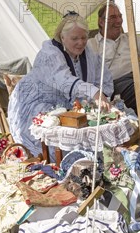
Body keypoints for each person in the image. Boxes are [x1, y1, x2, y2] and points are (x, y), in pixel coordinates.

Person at [8, 13, 113, 157]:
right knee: (54, 128)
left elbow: (102, 76)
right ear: (62, 37)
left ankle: (96, 161)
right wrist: (93, 92)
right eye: (74, 38)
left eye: (83, 38)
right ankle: (62, 163)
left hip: (66, 104)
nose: (81, 42)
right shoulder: (49, 54)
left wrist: (101, 94)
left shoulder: (87, 52)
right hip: (37, 101)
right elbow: (63, 80)